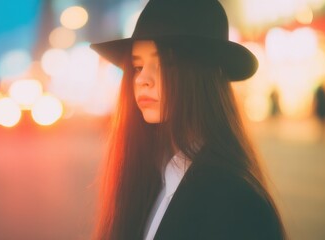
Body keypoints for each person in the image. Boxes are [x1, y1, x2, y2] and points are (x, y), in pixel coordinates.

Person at [90, 0, 287, 239]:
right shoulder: (153, 177)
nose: (143, 79)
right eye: (138, 66)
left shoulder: (236, 200)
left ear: (202, 75)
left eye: (166, 63)